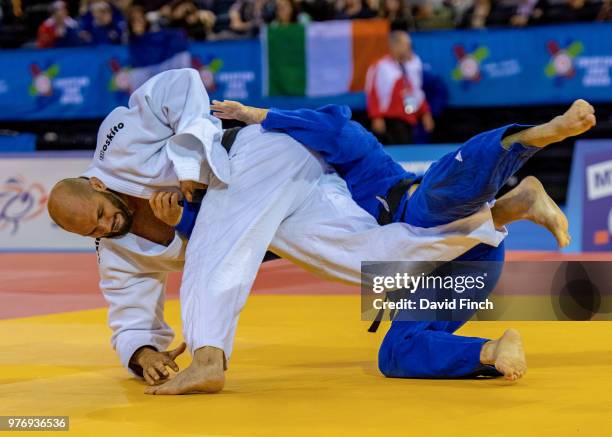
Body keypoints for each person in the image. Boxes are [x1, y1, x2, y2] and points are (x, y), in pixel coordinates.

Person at [46, 68, 516, 394]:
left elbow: (179, 84)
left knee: (214, 244)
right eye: (96, 231)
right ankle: (487, 223)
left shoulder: (117, 141)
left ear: (96, 184)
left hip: (256, 153)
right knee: (361, 261)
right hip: (284, 196)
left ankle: (209, 359)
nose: (109, 226)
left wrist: (190, 160)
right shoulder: (114, 250)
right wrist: (143, 353)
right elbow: (128, 318)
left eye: (103, 213)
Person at [210, 97, 594, 380]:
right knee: (395, 354)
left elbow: (338, 127)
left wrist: (260, 116)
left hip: (431, 224)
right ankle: (491, 350)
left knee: (438, 194)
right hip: (446, 273)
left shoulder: (363, 162)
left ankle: (538, 135)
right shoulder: (287, 200)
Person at [365, 31, 434, 145]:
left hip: (410, 119)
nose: (410, 48)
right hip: (390, 120)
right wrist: (376, 116)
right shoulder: (381, 66)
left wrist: (425, 113)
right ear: (395, 46)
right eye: (407, 45)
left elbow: (416, 91)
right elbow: (372, 93)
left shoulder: (411, 65)